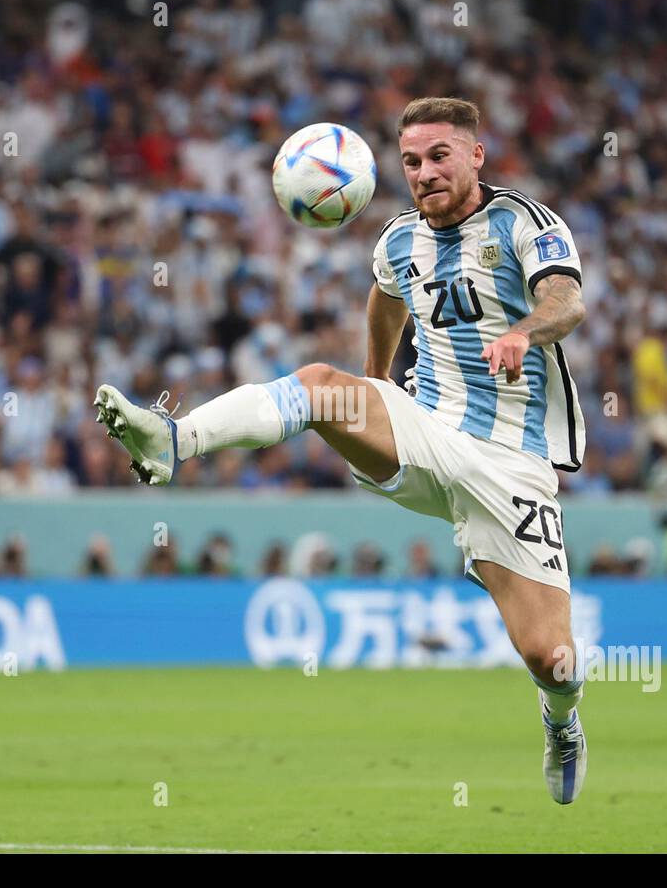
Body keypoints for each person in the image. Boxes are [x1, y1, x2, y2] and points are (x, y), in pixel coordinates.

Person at [96, 97, 590, 804]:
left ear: (476, 155)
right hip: (425, 422)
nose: (424, 173)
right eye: (412, 161)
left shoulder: (523, 222)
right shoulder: (395, 241)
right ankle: (176, 440)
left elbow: (567, 302)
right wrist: (378, 378)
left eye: (440, 156)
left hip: (512, 464)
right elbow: (387, 296)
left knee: (552, 655)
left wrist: (524, 334)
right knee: (322, 387)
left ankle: (562, 722)